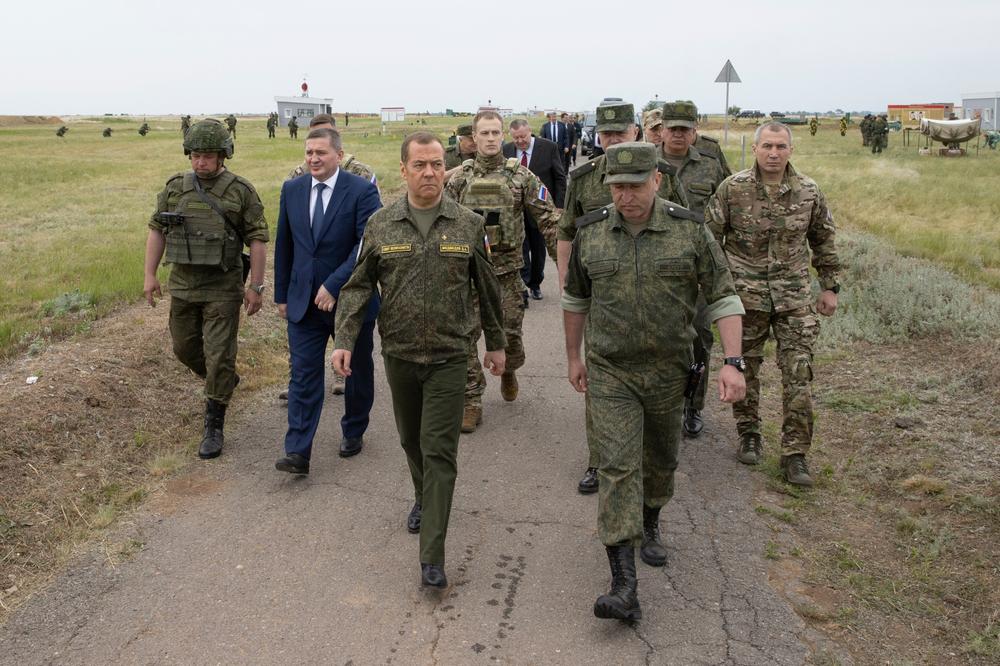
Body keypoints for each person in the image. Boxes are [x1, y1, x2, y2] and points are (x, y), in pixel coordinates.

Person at [562, 142, 746, 621]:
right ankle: (624, 582)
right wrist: (572, 357)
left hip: (668, 370)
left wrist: (734, 361)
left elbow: (723, 296)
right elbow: (576, 299)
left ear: (657, 181)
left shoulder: (689, 232)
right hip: (611, 370)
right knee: (618, 466)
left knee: (660, 460)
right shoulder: (594, 233)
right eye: (618, 187)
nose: (626, 196)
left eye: (635, 185)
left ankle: (651, 519)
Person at [332, 132, 506, 589]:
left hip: (451, 356)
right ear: (404, 171)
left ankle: (433, 556)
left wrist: (497, 343)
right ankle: (421, 496)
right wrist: (345, 338)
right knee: (411, 441)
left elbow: (488, 289)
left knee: (439, 452)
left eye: (436, 165)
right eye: (420, 165)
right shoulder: (381, 224)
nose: (430, 173)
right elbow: (357, 286)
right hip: (401, 355)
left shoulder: (468, 223)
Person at [556, 101, 687, 494]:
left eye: (619, 133)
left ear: (636, 132)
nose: (612, 139)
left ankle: (650, 450)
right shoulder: (584, 178)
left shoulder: (659, 174)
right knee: (600, 375)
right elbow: (566, 231)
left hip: (655, 290)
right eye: (606, 134)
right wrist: (566, 278)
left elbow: (680, 228)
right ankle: (601, 459)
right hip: (602, 290)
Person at [705, 122, 841, 487]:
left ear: (790, 150)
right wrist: (715, 290)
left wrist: (830, 287)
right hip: (744, 299)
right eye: (767, 145)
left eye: (781, 146)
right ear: (755, 149)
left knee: (799, 375)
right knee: (744, 368)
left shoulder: (809, 192)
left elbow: (824, 240)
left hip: (793, 299)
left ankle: (795, 454)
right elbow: (710, 241)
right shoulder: (732, 190)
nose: (773, 153)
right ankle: (748, 433)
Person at [143, 119, 268, 459]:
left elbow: (256, 239)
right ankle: (223, 380)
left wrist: (256, 285)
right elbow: (157, 230)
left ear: (223, 155)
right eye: (196, 155)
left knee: (219, 355)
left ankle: (213, 424)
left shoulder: (240, 191)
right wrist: (149, 275)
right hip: (182, 285)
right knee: (183, 348)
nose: (201, 163)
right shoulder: (175, 188)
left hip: (223, 287)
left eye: (209, 156)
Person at [272, 127, 380, 473]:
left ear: (338, 154)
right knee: (303, 375)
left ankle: (354, 428)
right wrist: (282, 295)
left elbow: (367, 245)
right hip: (303, 302)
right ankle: (298, 451)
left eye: (320, 153)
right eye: (309, 153)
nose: (314, 159)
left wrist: (335, 284)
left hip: (351, 301)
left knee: (357, 369)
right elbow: (284, 245)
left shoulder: (362, 190)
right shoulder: (292, 190)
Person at [445, 111, 561, 433]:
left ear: (503, 136)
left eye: (496, 132)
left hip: (507, 276)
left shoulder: (521, 178)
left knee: (511, 339)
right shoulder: (459, 180)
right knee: (466, 337)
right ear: (474, 137)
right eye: (485, 133)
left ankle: (509, 369)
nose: (492, 138)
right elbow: (442, 224)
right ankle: (471, 400)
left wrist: (564, 266)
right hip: (469, 276)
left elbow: (549, 220)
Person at [656, 100, 729, 438]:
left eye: (685, 129)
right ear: (662, 129)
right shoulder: (646, 162)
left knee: (699, 340)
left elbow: (731, 207)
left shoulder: (711, 163)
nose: (679, 134)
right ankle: (661, 405)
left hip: (698, 271)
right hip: (655, 269)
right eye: (673, 128)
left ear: (694, 130)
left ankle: (693, 406)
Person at [503, 118, 566, 303]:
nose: (520, 141)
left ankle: (535, 283)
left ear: (530, 131)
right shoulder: (506, 150)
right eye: (516, 138)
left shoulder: (549, 148)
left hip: (540, 210)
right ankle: (523, 284)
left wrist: (560, 206)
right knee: (520, 250)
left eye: (523, 137)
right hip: (515, 211)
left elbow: (560, 178)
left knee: (539, 250)